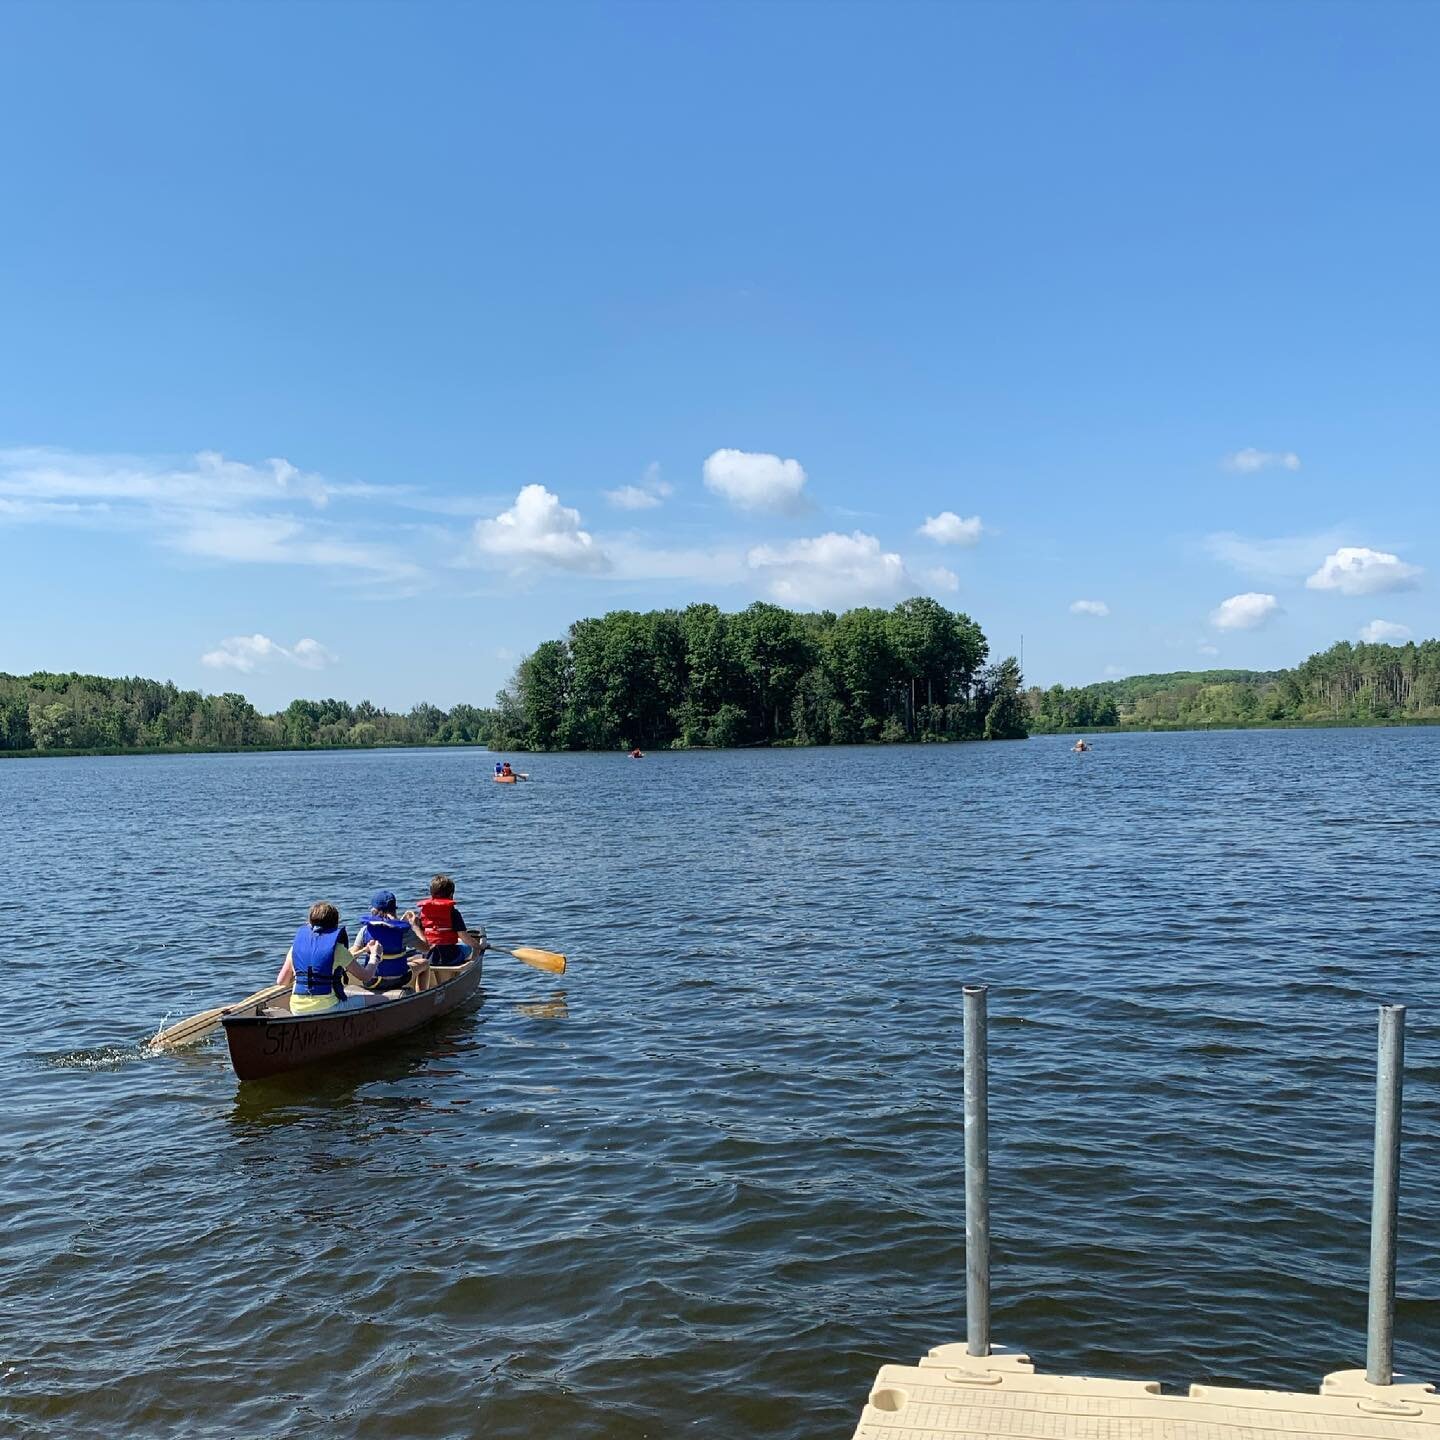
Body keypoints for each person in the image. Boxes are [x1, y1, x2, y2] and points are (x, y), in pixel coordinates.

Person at [275, 901, 376, 1015]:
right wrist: (375, 955)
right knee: (380, 999)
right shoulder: (338, 949)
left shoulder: (295, 948)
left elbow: (281, 981)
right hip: (328, 1008)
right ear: (335, 923)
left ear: (310, 922)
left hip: (297, 1009)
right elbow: (366, 976)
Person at [353, 890, 429, 993]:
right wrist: (415, 926)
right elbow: (425, 948)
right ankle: (421, 996)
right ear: (394, 909)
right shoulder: (404, 932)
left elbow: (352, 954)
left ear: (373, 910)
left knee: (410, 958)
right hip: (399, 979)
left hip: (371, 981)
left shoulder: (366, 930)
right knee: (424, 963)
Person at [417, 873, 486, 968]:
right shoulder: (453, 913)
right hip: (450, 958)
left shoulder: (423, 913)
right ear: (451, 895)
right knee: (468, 947)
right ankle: (470, 964)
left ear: (431, 894)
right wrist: (479, 946)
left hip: (429, 958)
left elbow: (420, 934)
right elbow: (464, 937)